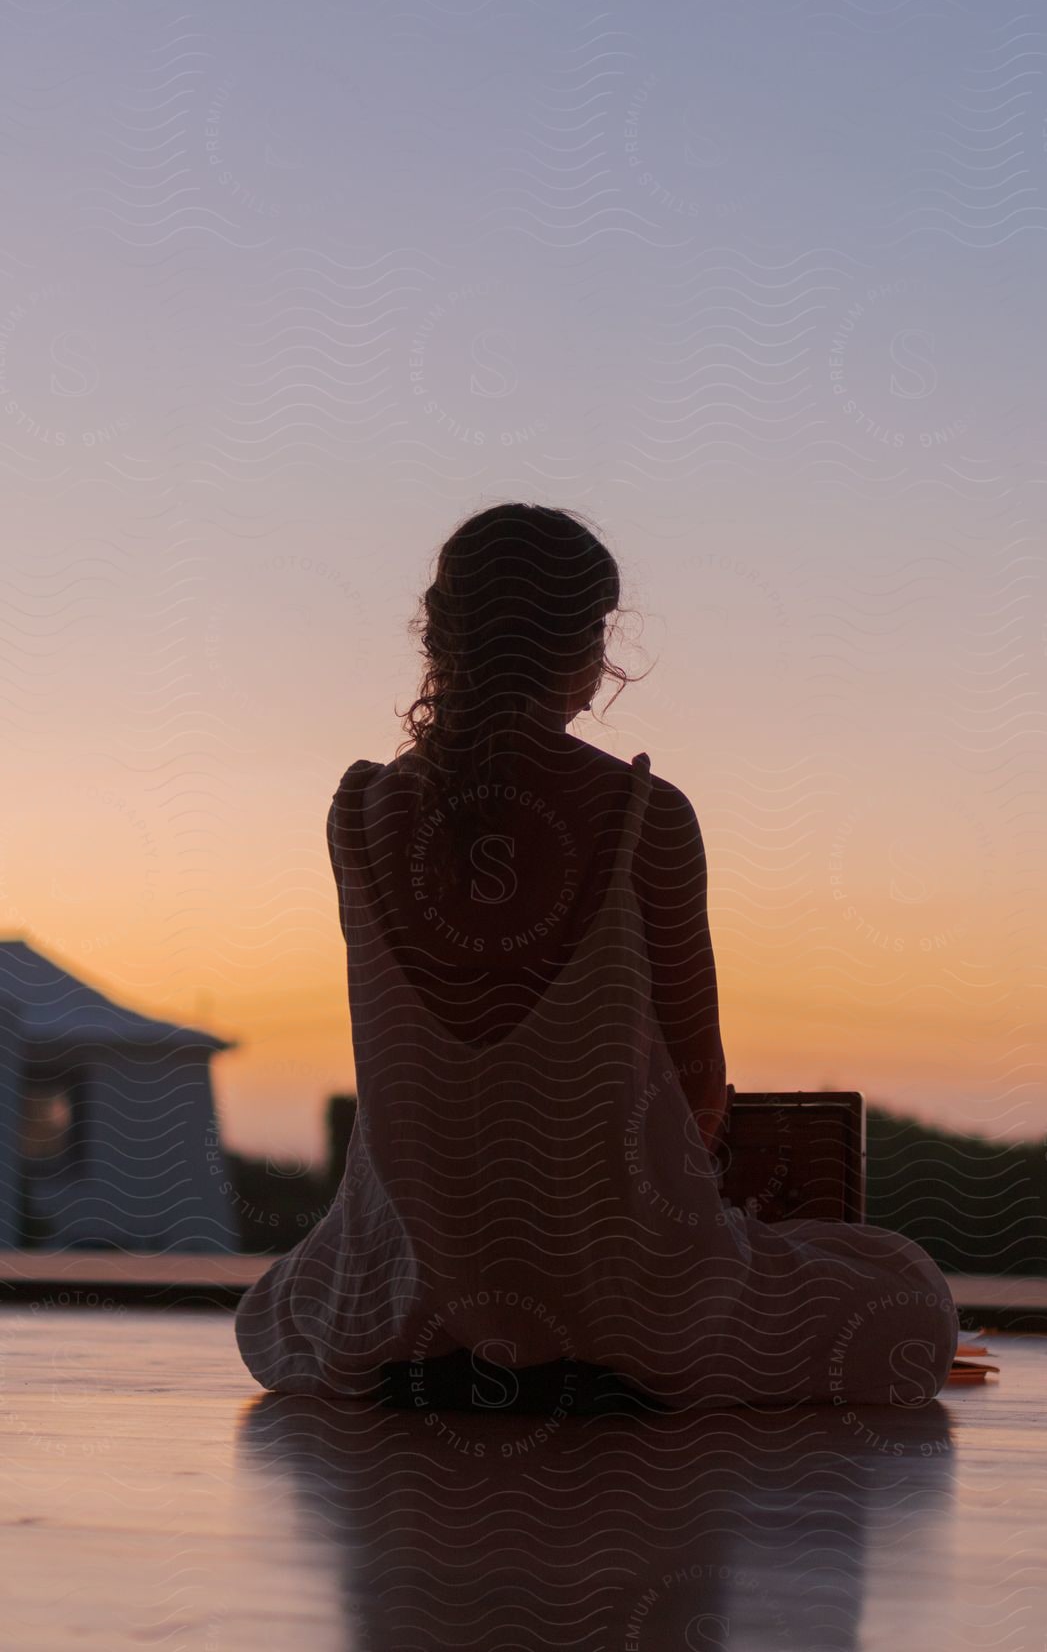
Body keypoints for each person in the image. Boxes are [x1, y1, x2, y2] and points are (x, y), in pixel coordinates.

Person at [235, 503, 957, 1408]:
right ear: (584, 647)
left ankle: (472, 1352)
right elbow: (700, 1083)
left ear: (442, 634)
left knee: (275, 1308)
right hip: (620, 1282)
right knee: (906, 1295)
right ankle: (596, 1353)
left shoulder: (359, 813)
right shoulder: (645, 816)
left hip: (414, 1284)